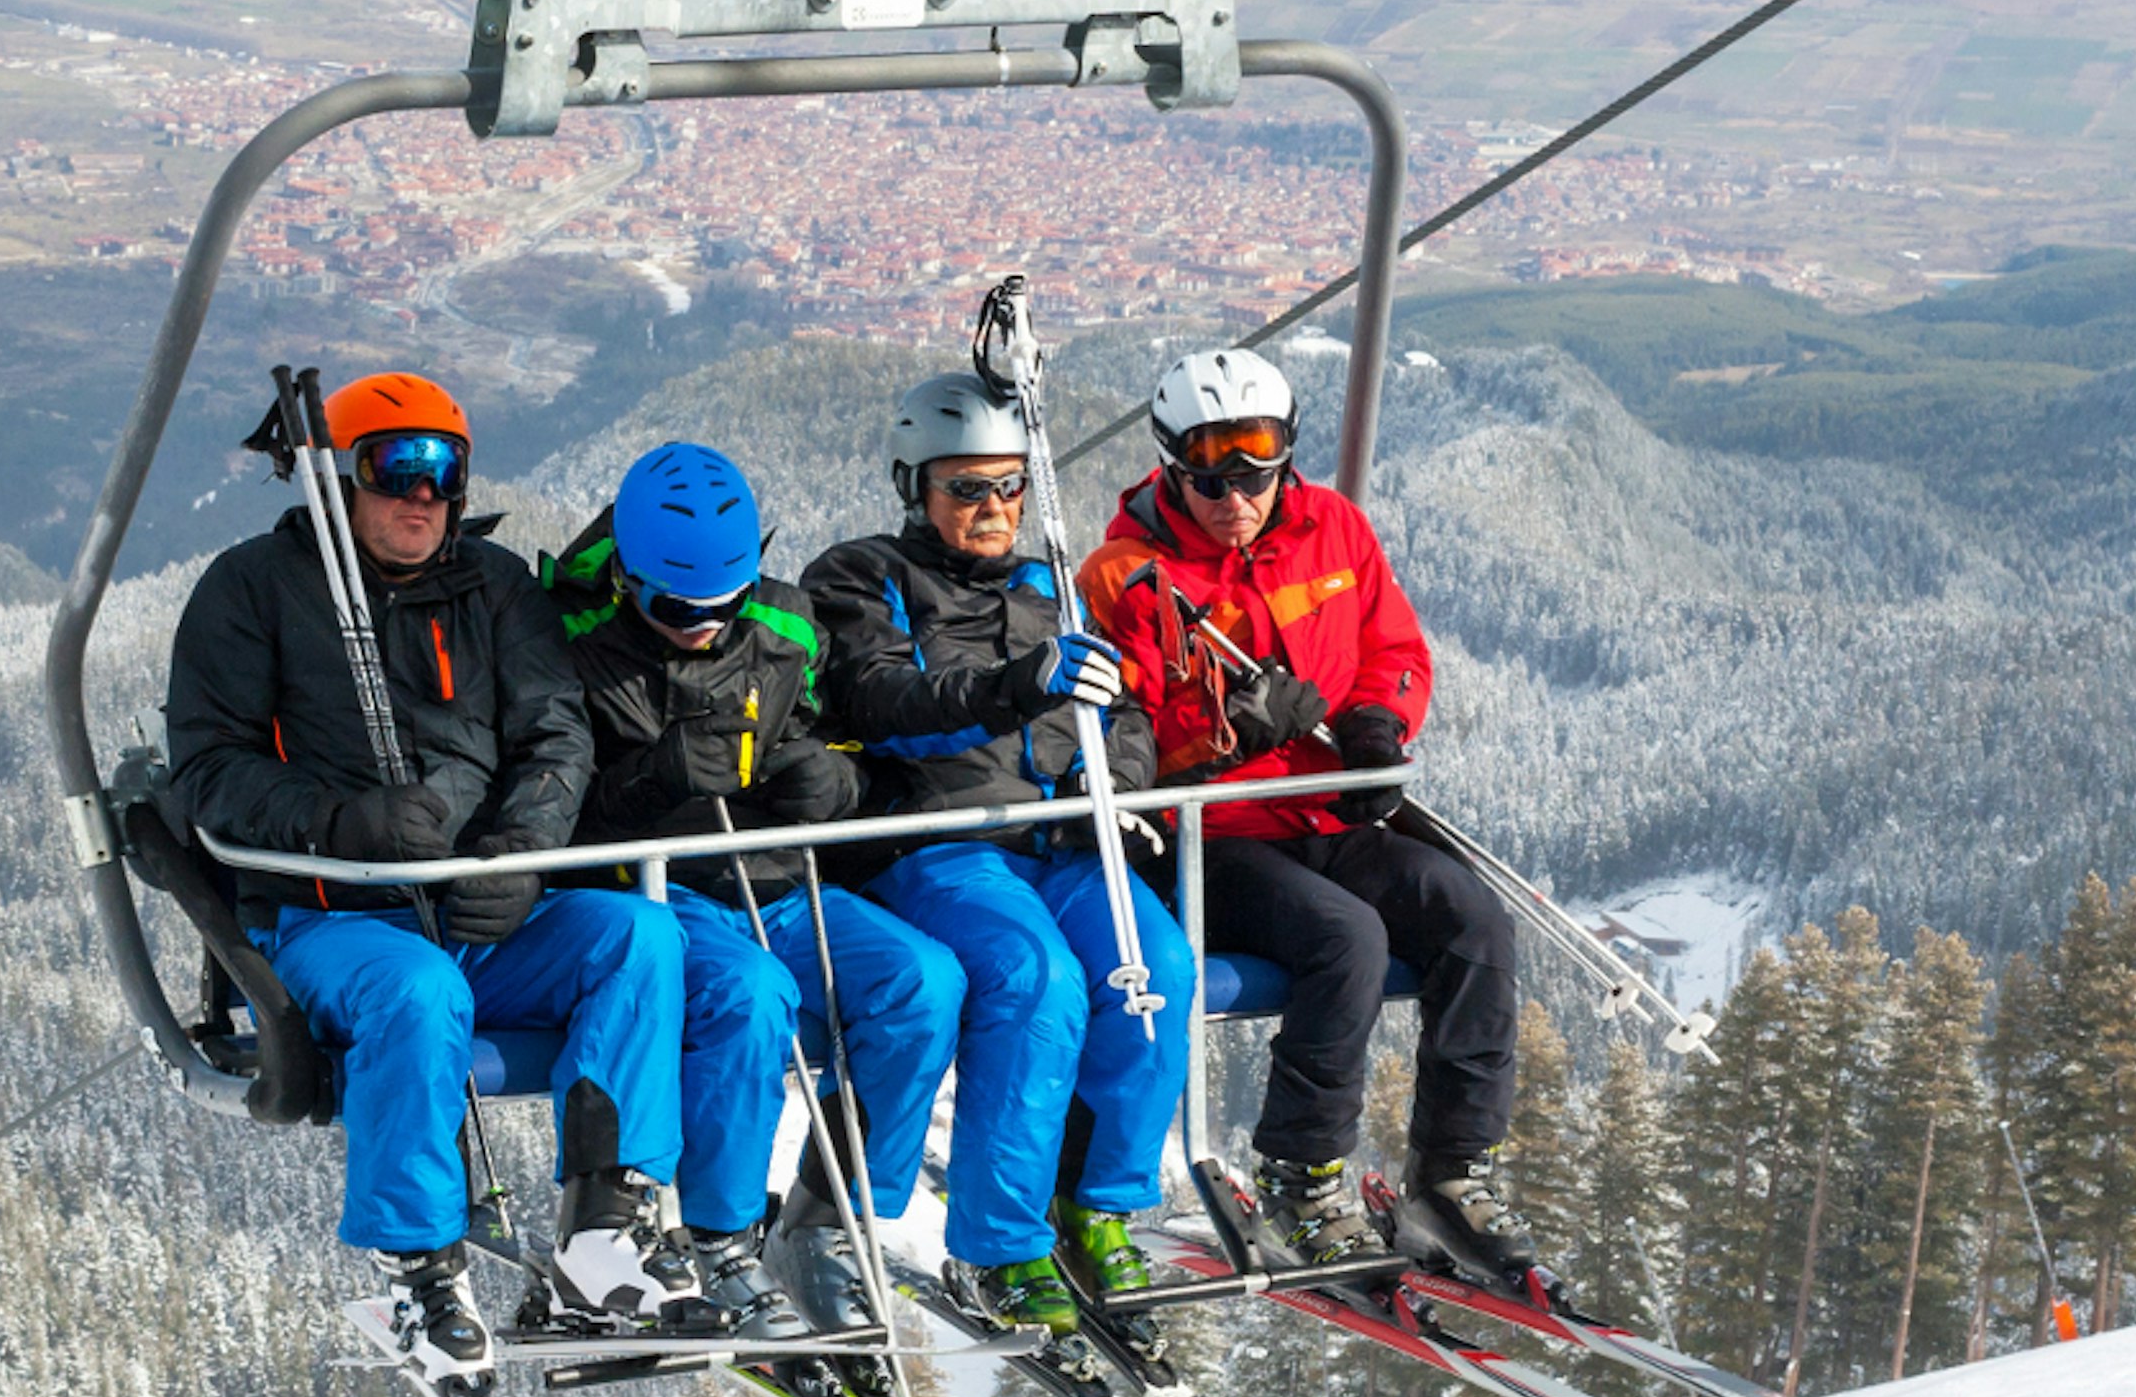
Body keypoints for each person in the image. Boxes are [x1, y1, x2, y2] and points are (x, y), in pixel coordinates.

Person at [163, 369, 698, 1370]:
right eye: (394, 467)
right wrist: (342, 822)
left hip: (475, 910)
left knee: (638, 937)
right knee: (418, 989)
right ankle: (420, 1266)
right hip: (335, 918)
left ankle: (606, 1220)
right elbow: (209, 773)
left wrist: (520, 856)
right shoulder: (252, 592)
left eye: (442, 472)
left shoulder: (494, 591)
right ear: (339, 476)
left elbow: (555, 735)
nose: (422, 495)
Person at [1079, 346, 1531, 1284]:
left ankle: (1450, 1172)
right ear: (1172, 464)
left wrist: (1377, 723)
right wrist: (1229, 735)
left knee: (1474, 921)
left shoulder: (1334, 530)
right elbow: (1122, 747)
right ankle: (1301, 1173)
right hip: (1218, 838)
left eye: (1256, 468)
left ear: (1285, 455)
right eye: (1210, 476)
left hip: (1328, 813)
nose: (1235, 495)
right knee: (1346, 940)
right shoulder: (1127, 576)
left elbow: (1393, 647)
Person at [548, 441, 970, 1342]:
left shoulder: (786, 627)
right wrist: (652, 779)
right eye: (676, 607)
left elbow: (848, 743)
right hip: (667, 887)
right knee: (749, 996)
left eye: (723, 603)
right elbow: (548, 815)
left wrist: (834, 779)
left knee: (922, 983)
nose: (703, 625)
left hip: (778, 879)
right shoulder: (574, 648)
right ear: (627, 574)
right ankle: (720, 1235)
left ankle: (824, 1215)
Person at [805, 371, 1196, 1335]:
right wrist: (1014, 686)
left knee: (1157, 971)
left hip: (1060, 836)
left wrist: (1122, 784)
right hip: (940, 839)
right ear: (915, 487)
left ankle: (1095, 1206)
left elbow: (1129, 709)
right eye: (965, 488)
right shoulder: (863, 577)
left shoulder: (1048, 587)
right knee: (1032, 980)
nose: (992, 508)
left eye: (1009, 486)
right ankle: (999, 1247)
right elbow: (880, 702)